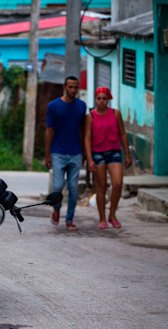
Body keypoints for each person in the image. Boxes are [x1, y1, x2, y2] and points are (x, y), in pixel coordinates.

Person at [84, 87, 132, 229]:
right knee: (101, 186)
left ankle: (112, 215)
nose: (101, 101)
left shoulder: (115, 114)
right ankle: (102, 218)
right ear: (95, 99)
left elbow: (123, 134)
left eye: (104, 98)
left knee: (117, 184)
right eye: (99, 98)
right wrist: (89, 159)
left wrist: (127, 154)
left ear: (109, 99)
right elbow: (87, 138)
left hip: (114, 152)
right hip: (97, 153)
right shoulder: (90, 116)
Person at [45, 76, 87, 232]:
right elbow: (49, 130)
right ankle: (56, 210)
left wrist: (83, 152)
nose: (73, 90)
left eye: (76, 87)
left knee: (73, 188)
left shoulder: (81, 106)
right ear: (64, 87)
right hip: (58, 152)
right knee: (57, 186)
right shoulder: (54, 106)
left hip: (76, 153)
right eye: (70, 87)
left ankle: (69, 219)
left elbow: (83, 130)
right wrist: (47, 154)